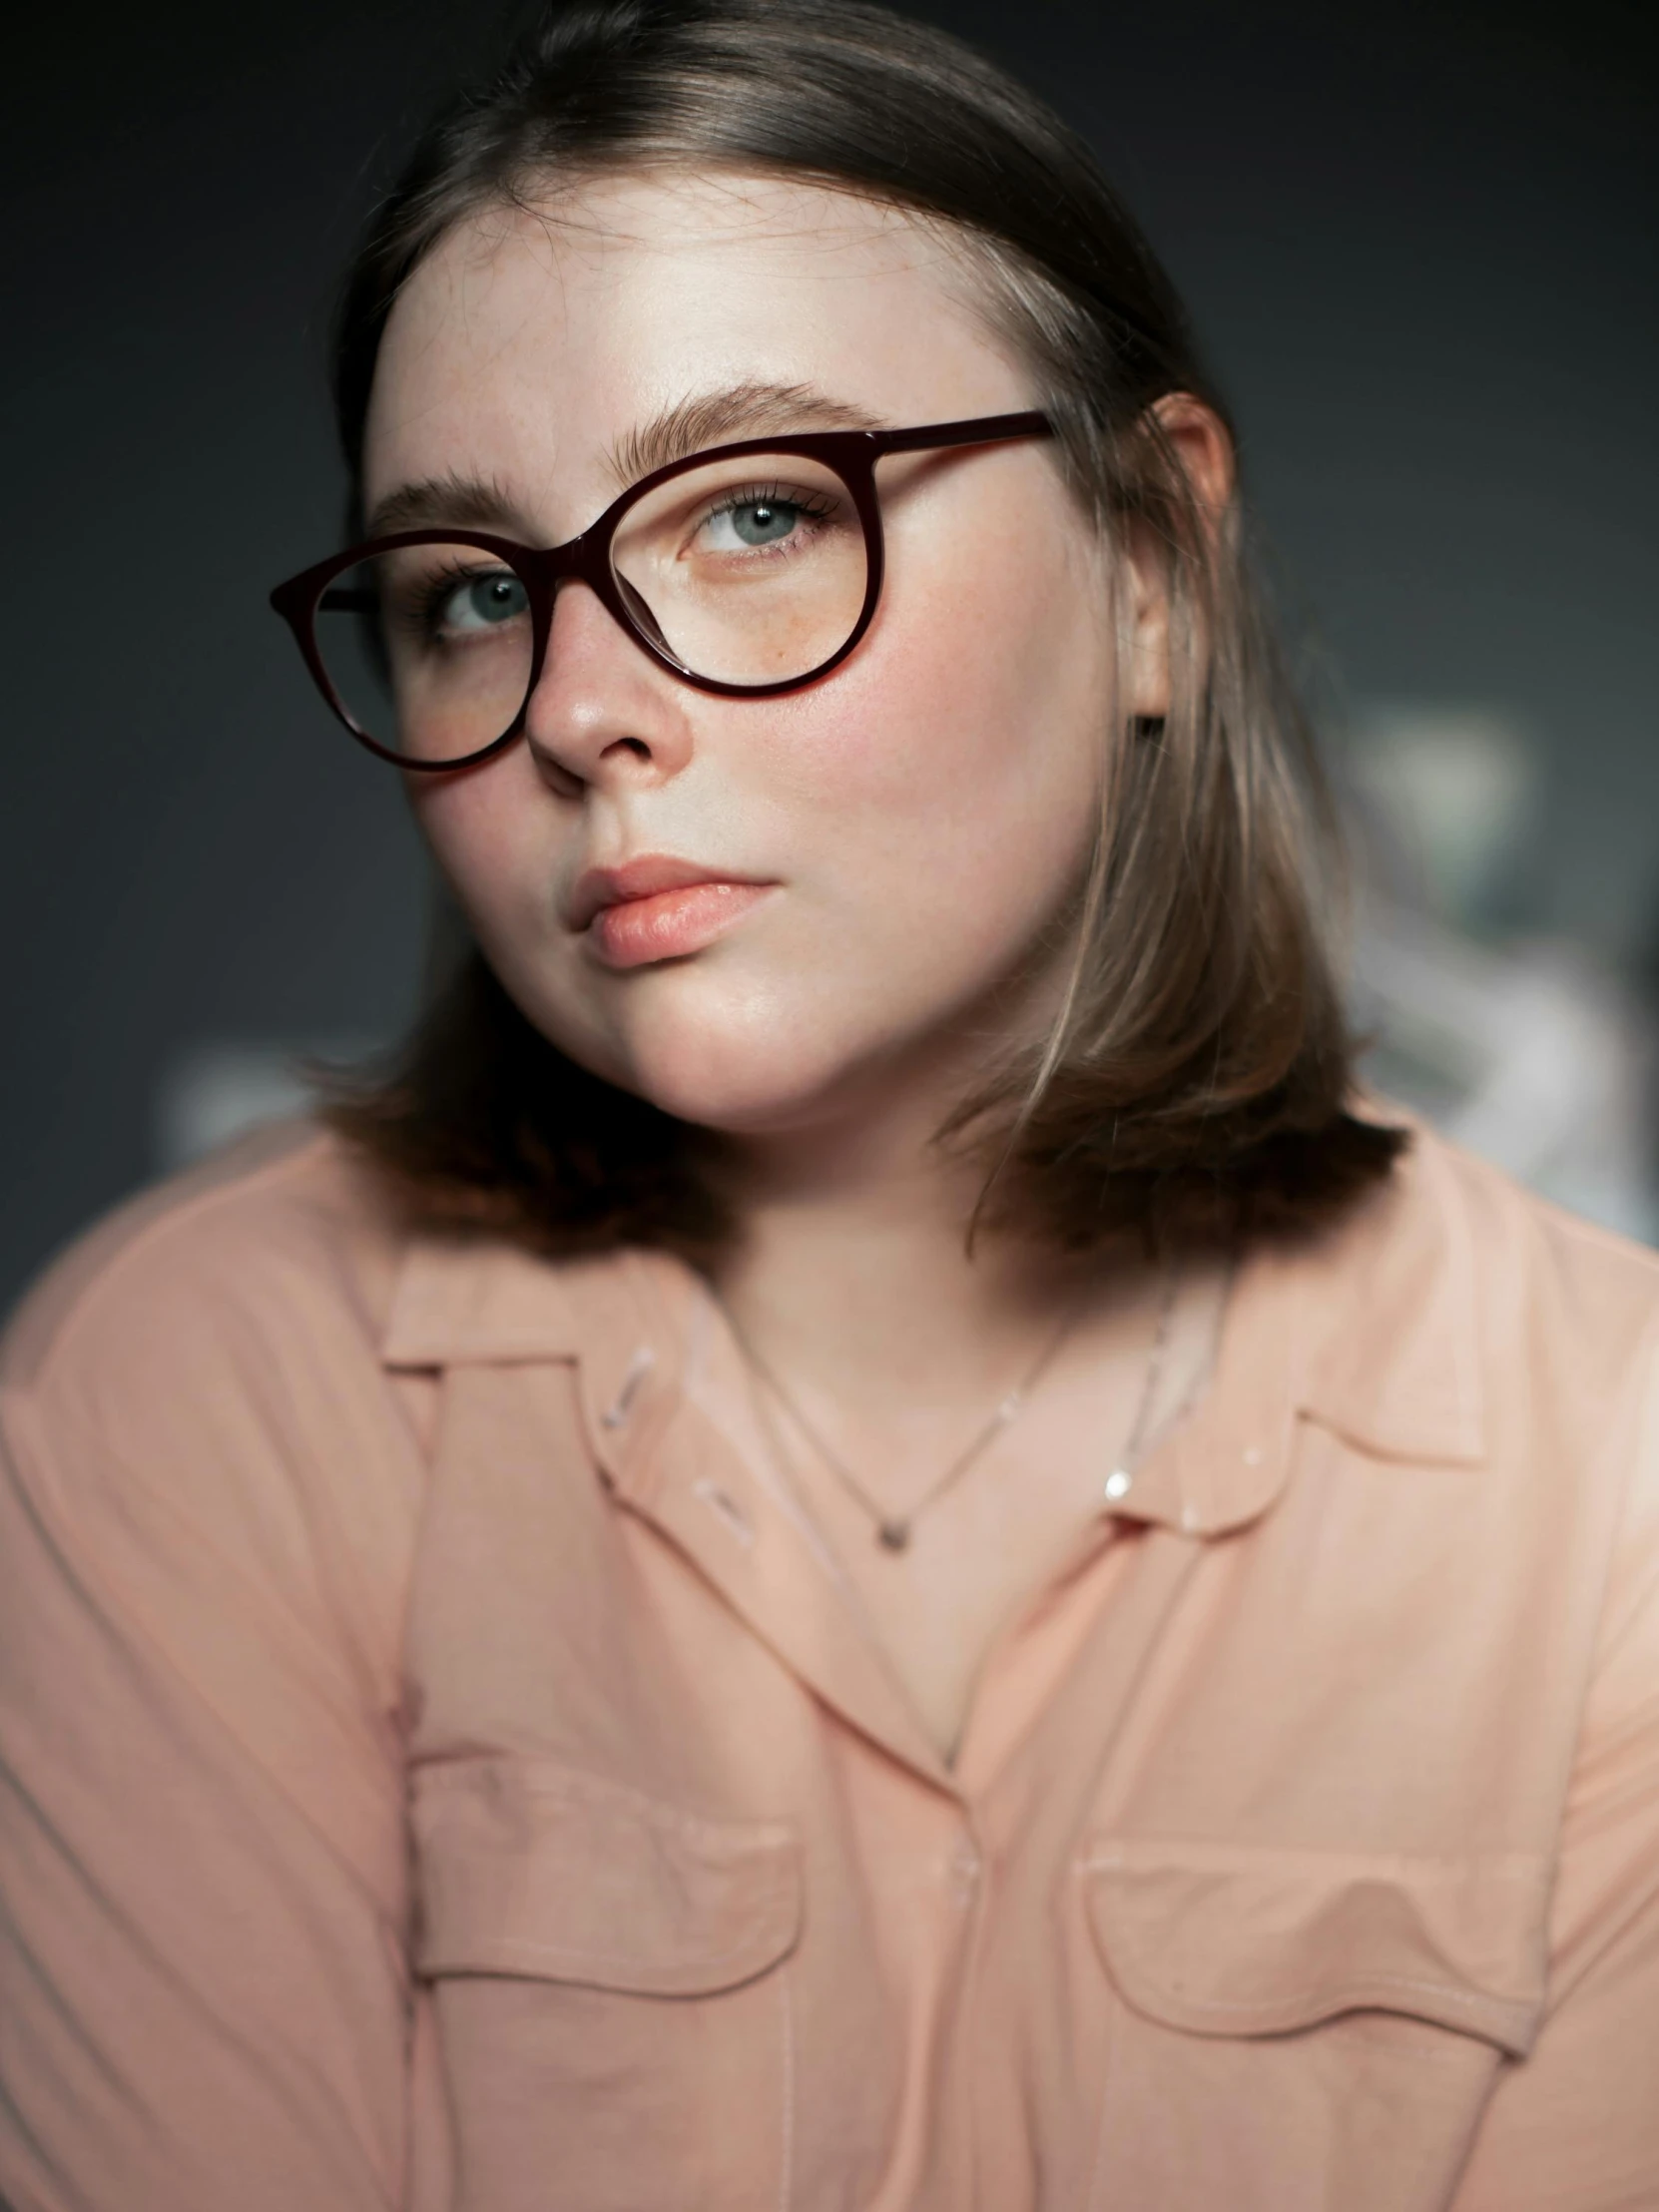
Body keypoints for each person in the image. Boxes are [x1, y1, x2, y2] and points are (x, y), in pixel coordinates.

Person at [1, 3, 1655, 2205]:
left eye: (762, 510)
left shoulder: (1616, 1482)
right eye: (475, 592)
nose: (580, 707)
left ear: (1153, 564)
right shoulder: (198, 1388)